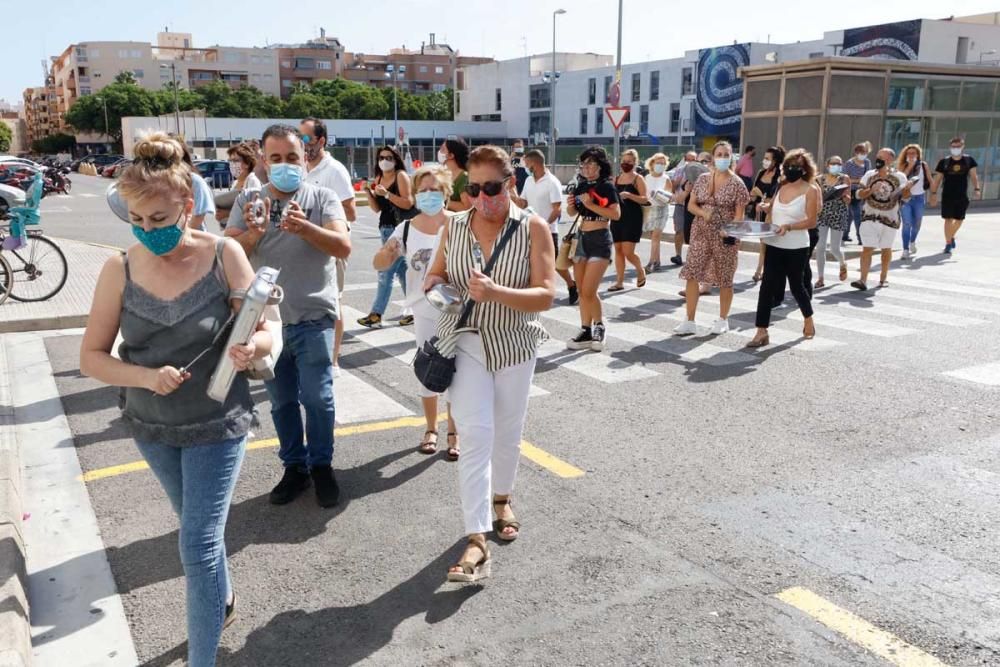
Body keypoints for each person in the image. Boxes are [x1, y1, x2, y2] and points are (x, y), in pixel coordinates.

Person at [80, 132, 275, 667]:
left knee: (197, 545)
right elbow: (91, 358)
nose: (149, 232)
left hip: (218, 420)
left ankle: (202, 659)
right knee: (196, 528)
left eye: (160, 221)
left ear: (188, 206)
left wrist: (252, 345)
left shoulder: (224, 254)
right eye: (138, 222)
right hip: (152, 425)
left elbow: (269, 328)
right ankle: (224, 600)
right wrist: (144, 378)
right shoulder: (118, 268)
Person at [423, 145, 555, 582]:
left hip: (516, 344)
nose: (482, 196)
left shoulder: (534, 229)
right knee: (476, 435)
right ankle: (476, 537)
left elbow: (547, 294)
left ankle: (502, 498)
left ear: (510, 184)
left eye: (492, 187)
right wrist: (441, 294)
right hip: (466, 344)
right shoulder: (455, 226)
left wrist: (495, 292)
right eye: (473, 188)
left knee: (508, 431)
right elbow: (434, 277)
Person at [225, 124, 351, 507]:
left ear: (305, 158)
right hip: (268, 323)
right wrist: (254, 233)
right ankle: (294, 467)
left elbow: (343, 246)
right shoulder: (250, 199)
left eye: (292, 158)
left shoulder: (322, 196)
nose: (284, 165)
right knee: (281, 402)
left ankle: (322, 466)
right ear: (263, 160)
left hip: (314, 316)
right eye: (275, 158)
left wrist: (305, 228)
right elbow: (228, 251)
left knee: (318, 398)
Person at [373, 165, 460, 459]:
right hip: (423, 311)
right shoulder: (406, 228)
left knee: (459, 374)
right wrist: (386, 254)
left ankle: (454, 431)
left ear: (446, 192)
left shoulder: (460, 223)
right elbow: (380, 263)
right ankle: (431, 428)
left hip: (459, 311)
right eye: (423, 190)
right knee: (428, 370)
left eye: (435, 189)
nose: (429, 195)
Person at [674, 141, 750, 336]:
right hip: (700, 231)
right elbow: (691, 205)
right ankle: (689, 320)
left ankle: (723, 319)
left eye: (727, 154)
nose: (723, 157)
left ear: (732, 157)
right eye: (720, 154)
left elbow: (740, 215)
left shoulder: (737, 184)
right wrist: (703, 212)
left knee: (725, 277)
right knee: (692, 272)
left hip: (725, 235)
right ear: (713, 156)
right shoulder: (702, 179)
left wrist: (730, 230)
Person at [300, 117, 357, 376]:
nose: (302, 144)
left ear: (321, 140)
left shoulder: (334, 170)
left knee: (334, 301)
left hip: (330, 244)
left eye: (306, 138)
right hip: (302, 246)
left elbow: (351, 211)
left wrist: (318, 214)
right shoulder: (299, 168)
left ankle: (333, 360)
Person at [746, 149, 820, 347]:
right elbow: (774, 212)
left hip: (796, 246)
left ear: (805, 169)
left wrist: (790, 227)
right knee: (766, 286)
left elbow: (812, 222)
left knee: (796, 285)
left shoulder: (810, 190)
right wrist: (766, 213)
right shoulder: (781, 186)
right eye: (788, 166)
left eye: (796, 167)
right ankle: (761, 331)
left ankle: (808, 319)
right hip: (774, 243)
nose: (791, 170)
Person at [565, 147, 620, 351]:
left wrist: (590, 204)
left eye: (590, 163)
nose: (586, 167)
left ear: (600, 165)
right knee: (581, 290)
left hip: (600, 239)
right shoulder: (580, 185)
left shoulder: (607, 186)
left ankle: (599, 326)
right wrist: (571, 204)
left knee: (589, 290)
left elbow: (615, 215)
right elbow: (572, 213)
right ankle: (585, 329)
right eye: (583, 164)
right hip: (581, 239)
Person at [510, 148, 577, 304]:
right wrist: (510, 192)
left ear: (535, 163)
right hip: (528, 229)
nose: (525, 166)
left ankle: (572, 284)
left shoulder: (552, 182)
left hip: (548, 230)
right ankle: (530, 292)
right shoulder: (528, 180)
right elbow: (523, 203)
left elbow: (557, 209)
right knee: (526, 261)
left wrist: (545, 225)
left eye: (526, 163)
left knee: (555, 264)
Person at [358, 145, 414, 328]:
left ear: (396, 159)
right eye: (381, 157)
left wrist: (388, 194)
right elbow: (377, 208)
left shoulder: (401, 176)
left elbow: (408, 203)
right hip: (385, 227)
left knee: (386, 270)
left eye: (389, 157)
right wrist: (368, 192)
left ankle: (376, 313)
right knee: (402, 271)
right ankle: (415, 309)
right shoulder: (379, 177)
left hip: (399, 229)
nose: (385, 160)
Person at [852, 147, 912, 290]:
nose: (879, 160)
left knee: (886, 249)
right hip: (869, 217)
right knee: (867, 248)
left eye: (883, 158)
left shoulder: (900, 177)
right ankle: (862, 280)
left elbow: (906, 198)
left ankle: (883, 278)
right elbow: (858, 194)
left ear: (890, 160)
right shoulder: (869, 175)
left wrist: (907, 189)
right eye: (878, 157)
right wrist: (871, 190)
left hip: (889, 219)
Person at [930, 136, 980, 255]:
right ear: (950, 147)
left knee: (959, 219)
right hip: (947, 195)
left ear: (963, 147)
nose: (955, 148)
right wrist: (933, 194)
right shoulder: (944, 162)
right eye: (953, 146)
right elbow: (937, 179)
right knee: (948, 219)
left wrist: (977, 188)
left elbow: (974, 176)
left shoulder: (969, 160)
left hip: (962, 195)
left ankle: (951, 236)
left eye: (958, 146)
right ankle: (948, 243)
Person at [609, 149, 648, 292]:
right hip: (617, 217)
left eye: (629, 162)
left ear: (635, 163)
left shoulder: (638, 179)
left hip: (633, 218)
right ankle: (619, 282)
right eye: (623, 161)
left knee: (628, 251)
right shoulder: (616, 179)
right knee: (618, 250)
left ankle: (640, 270)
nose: (625, 164)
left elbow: (645, 199)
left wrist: (630, 195)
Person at [814, 155, 852, 288]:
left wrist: (843, 195)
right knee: (820, 247)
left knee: (835, 248)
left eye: (839, 163)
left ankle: (842, 263)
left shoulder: (844, 178)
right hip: (822, 214)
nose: (836, 166)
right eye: (833, 163)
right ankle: (820, 278)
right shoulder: (819, 179)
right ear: (827, 165)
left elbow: (849, 200)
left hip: (838, 214)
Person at [749, 146, 785, 284]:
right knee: (763, 242)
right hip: (759, 213)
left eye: (767, 158)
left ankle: (760, 270)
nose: (764, 160)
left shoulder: (779, 176)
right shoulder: (761, 173)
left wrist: (763, 197)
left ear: (775, 160)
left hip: (772, 213)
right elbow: (753, 193)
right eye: (764, 158)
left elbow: (777, 198)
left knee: (767, 243)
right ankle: (763, 270)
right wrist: (753, 195)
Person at [174, 137, 217, 231]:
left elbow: (198, 216)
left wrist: (180, 239)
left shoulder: (194, 181)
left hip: (193, 240)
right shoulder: (158, 183)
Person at [216, 143, 263, 228]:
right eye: (230, 161)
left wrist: (228, 213)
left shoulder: (252, 181)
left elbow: (257, 212)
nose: (232, 164)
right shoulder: (235, 183)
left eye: (236, 161)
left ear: (247, 164)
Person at [896, 143, 930, 260]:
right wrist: (909, 166)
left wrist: (934, 194)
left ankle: (912, 241)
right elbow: (900, 179)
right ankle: (905, 249)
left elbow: (929, 180)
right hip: (906, 199)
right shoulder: (902, 166)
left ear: (918, 154)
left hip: (919, 198)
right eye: (909, 153)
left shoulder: (923, 165)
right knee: (907, 224)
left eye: (913, 153)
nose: (911, 155)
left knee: (917, 223)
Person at [643, 152, 672, 272]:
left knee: (655, 236)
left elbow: (669, 197)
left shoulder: (666, 179)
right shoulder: (646, 178)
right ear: (652, 163)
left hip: (661, 209)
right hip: (649, 209)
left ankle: (651, 262)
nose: (660, 165)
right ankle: (657, 260)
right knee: (654, 236)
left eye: (663, 163)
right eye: (658, 162)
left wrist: (660, 196)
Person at [667, 151, 697, 266]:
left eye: (693, 160)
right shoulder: (679, 171)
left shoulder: (699, 172)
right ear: (685, 159)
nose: (690, 162)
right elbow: (672, 188)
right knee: (679, 230)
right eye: (689, 159)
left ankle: (692, 256)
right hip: (680, 205)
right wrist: (677, 182)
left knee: (693, 232)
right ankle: (678, 255)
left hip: (693, 206)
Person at [842, 143, 871, 244]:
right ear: (856, 153)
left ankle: (845, 235)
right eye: (861, 152)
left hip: (862, 191)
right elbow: (844, 178)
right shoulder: (849, 163)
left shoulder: (867, 162)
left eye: (865, 152)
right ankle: (860, 238)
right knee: (856, 214)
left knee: (852, 214)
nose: (863, 154)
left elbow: (868, 175)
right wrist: (856, 181)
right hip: (850, 190)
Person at [439, 138, 473, 212]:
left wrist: (443, 202)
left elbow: (466, 207)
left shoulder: (464, 177)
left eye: (443, 149)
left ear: (451, 155)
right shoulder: (444, 175)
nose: (439, 152)